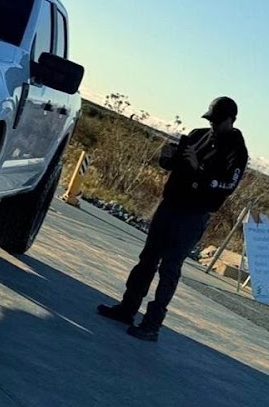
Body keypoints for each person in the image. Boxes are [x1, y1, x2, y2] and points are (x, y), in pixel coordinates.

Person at [97, 96, 249, 342]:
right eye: (211, 119)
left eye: (217, 121)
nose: (212, 124)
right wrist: (171, 156)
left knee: (169, 268)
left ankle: (152, 324)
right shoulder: (199, 135)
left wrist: (198, 168)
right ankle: (127, 308)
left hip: (193, 215)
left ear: (231, 120)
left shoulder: (237, 151)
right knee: (147, 260)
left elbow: (225, 185)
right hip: (170, 205)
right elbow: (172, 163)